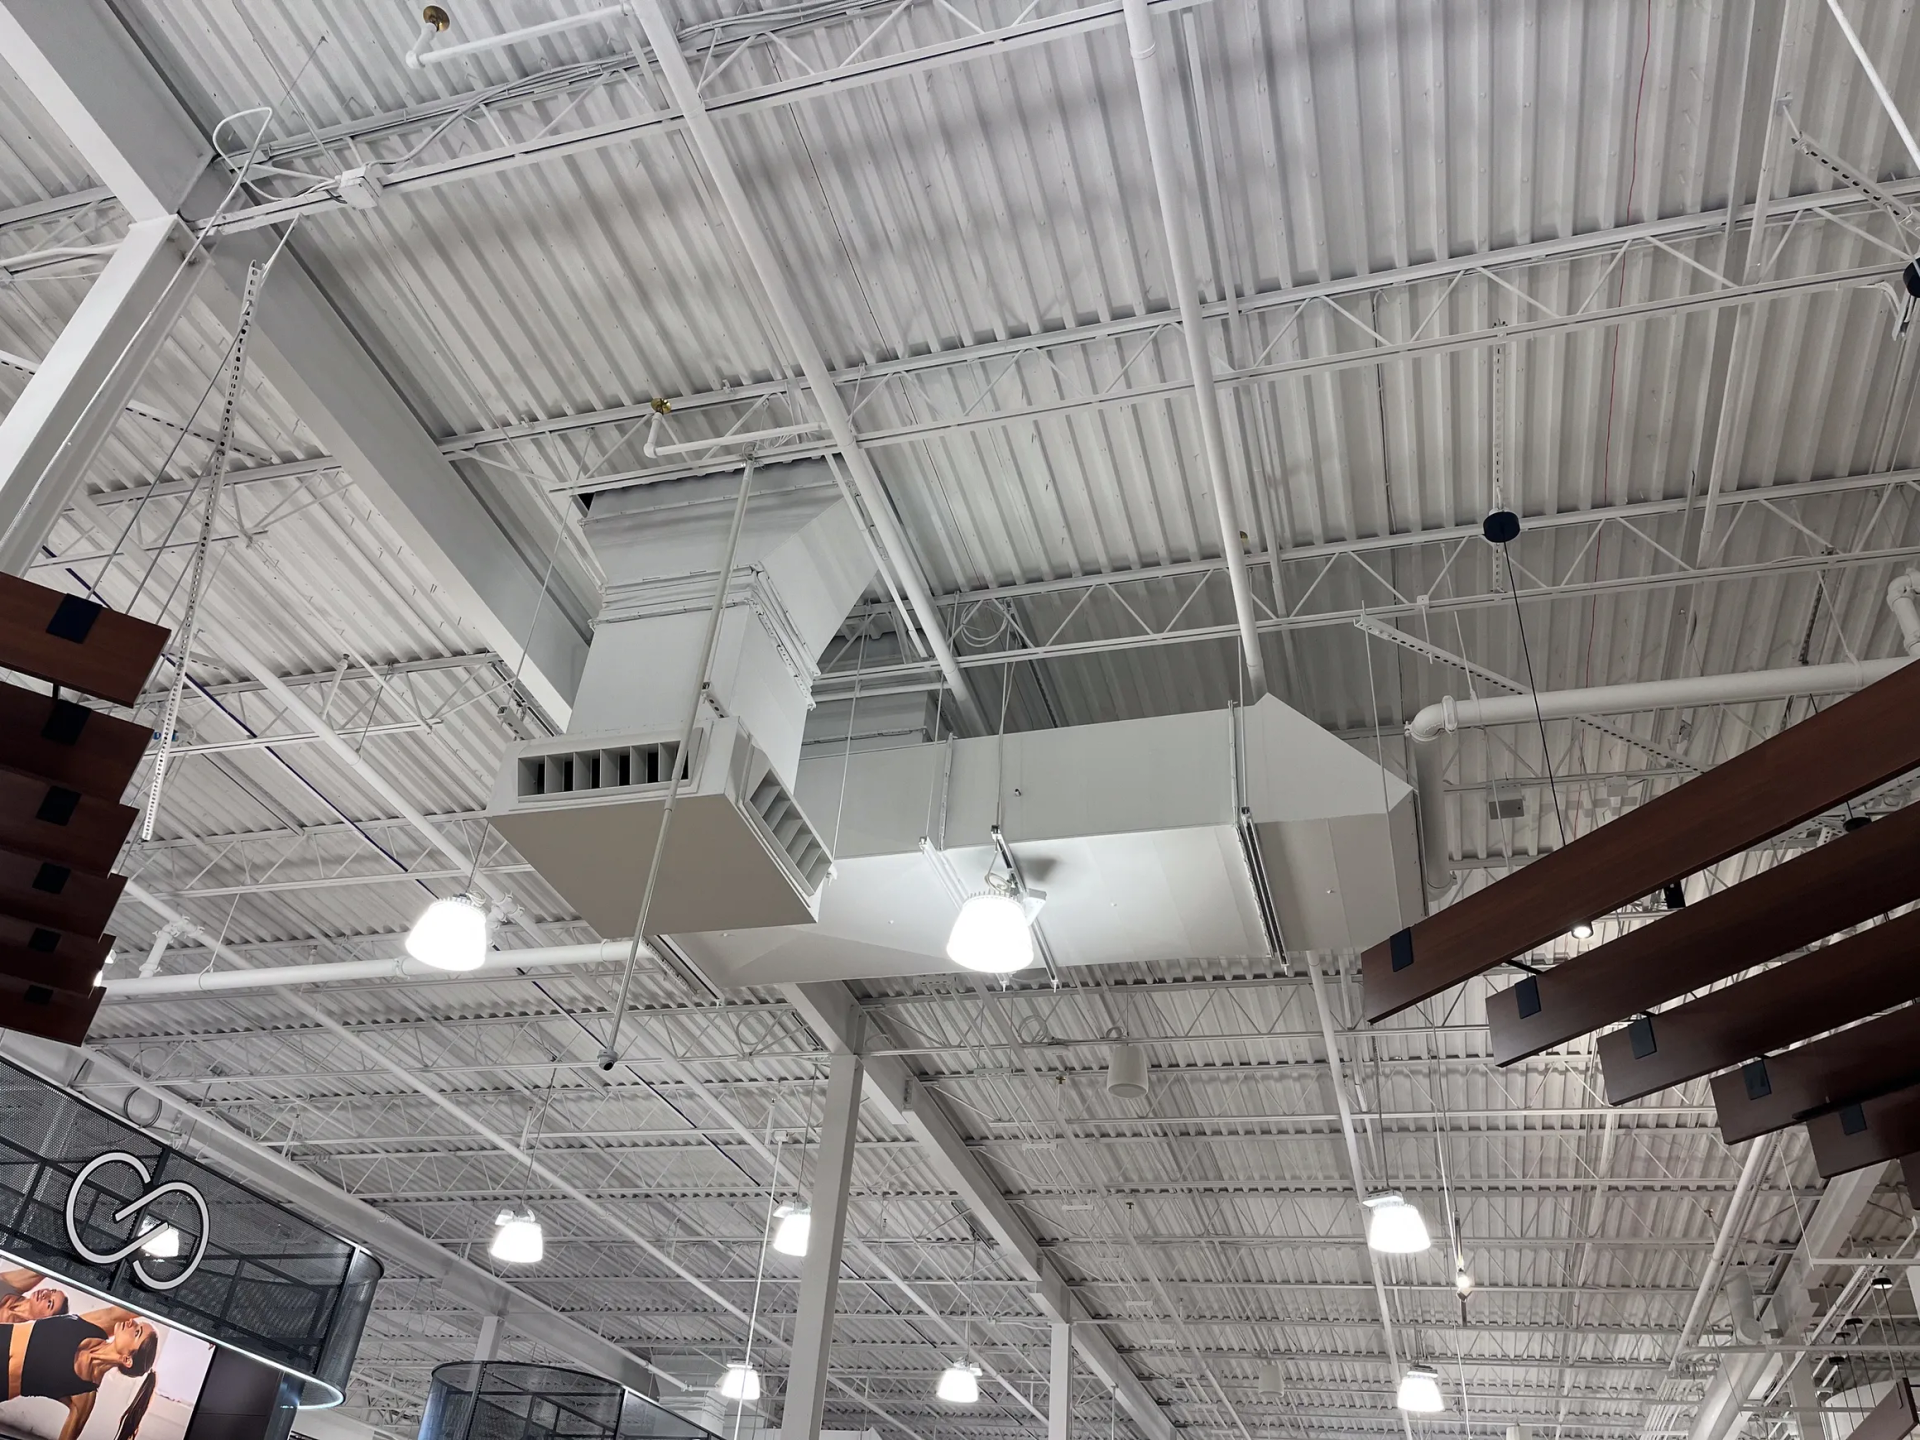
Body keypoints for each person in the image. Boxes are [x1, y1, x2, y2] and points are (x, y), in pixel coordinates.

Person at [0, 1303, 158, 1440]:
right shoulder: (98, 1324)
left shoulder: (84, 1395)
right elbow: (146, 1303)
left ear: (126, 1360)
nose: (131, 1323)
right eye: (138, 1323)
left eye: (136, 1332)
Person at [0, 1271, 67, 1325]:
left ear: (45, 1319)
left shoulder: (16, 1335)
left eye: (49, 1303)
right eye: (52, 1291)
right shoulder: (8, 1286)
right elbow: (47, 1266)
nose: (45, 1292)